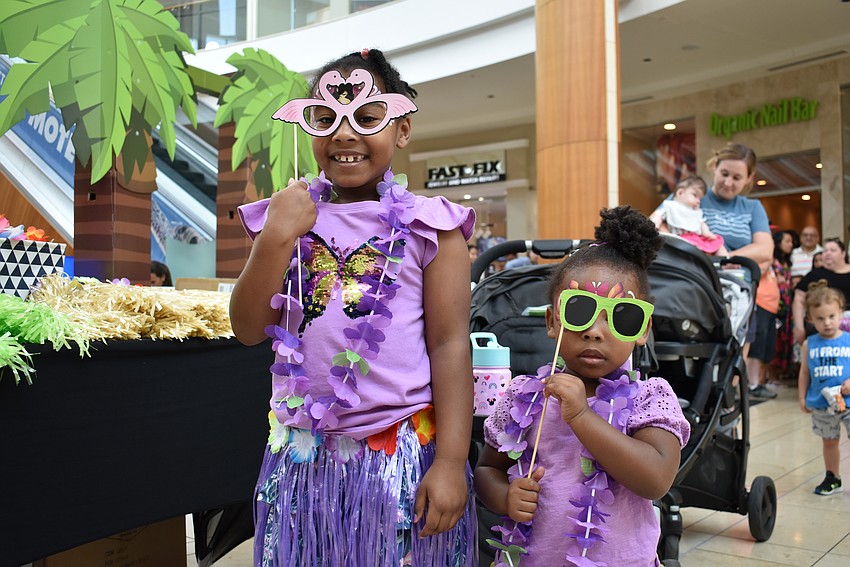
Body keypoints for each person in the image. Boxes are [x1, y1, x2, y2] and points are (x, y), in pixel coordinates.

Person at [229, 49, 476, 566]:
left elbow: (450, 343)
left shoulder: (432, 225)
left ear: (402, 129)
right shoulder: (287, 216)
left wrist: (452, 462)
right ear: (308, 125)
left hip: (398, 454)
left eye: (367, 118)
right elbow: (249, 329)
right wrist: (276, 234)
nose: (344, 134)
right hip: (301, 455)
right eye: (327, 119)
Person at [474, 206, 690, 566]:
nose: (595, 330)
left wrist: (581, 415)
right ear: (552, 321)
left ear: (642, 330)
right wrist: (504, 496)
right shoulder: (524, 397)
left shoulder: (650, 398)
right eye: (579, 311)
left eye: (621, 316)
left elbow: (655, 480)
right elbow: (486, 469)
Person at [797, 280, 850, 495]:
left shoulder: (848, 340)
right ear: (810, 319)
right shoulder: (809, 344)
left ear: (841, 314)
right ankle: (832, 477)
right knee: (829, 442)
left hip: (848, 402)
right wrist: (802, 398)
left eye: (832, 316)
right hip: (822, 404)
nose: (827, 323)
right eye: (820, 319)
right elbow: (804, 372)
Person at [649, 175, 728, 255]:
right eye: (695, 195)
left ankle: (727, 261)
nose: (698, 201)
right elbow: (658, 217)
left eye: (700, 198)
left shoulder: (696, 212)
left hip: (697, 239)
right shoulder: (670, 206)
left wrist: (707, 233)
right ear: (680, 193)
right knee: (695, 249)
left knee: (718, 243)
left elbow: (702, 224)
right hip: (681, 239)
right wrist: (653, 227)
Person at [793, 238, 850, 346]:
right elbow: (799, 298)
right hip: (820, 326)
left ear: (843, 254)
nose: (828, 253)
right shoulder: (815, 274)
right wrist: (798, 326)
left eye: (832, 250)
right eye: (825, 251)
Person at [771, 231, 796, 380]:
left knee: (785, 338)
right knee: (775, 339)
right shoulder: (773, 261)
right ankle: (769, 376)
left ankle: (780, 374)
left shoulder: (788, 262)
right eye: (787, 241)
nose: (790, 245)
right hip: (776, 303)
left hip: (788, 304)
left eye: (792, 242)